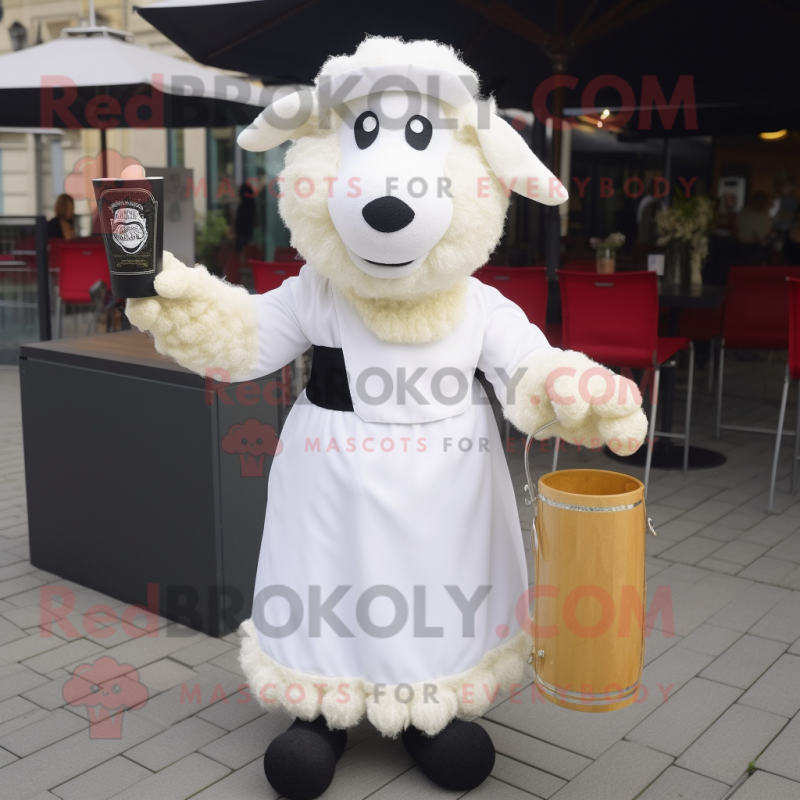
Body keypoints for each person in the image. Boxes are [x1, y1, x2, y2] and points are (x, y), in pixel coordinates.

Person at [234, 167, 267, 251]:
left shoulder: (241, 208)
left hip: (243, 233)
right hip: (249, 232)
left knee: (243, 249)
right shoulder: (252, 206)